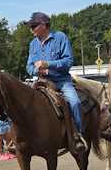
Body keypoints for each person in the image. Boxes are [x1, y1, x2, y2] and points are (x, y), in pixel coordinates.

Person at [26, 11, 86, 153]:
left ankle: (78, 134)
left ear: (43, 25)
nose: (31, 29)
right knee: (24, 103)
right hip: (41, 82)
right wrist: (36, 71)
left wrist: (48, 65)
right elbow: (28, 66)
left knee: (75, 102)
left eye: (33, 26)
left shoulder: (60, 37)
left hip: (61, 81)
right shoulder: (33, 44)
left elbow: (68, 61)